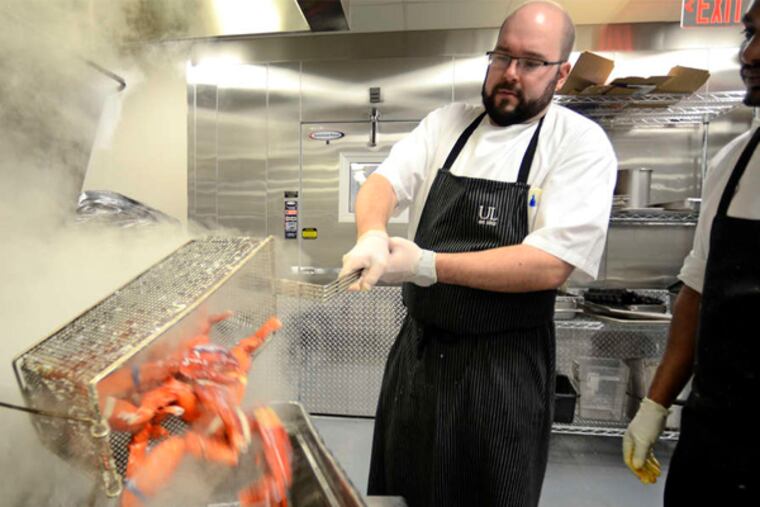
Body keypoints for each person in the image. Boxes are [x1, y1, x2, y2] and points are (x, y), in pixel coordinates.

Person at [340, 1, 617, 505]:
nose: (510, 74)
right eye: (501, 57)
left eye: (531, 63)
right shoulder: (446, 124)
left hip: (503, 370)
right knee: (400, 494)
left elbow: (549, 263)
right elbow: (382, 181)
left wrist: (425, 265)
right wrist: (372, 234)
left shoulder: (579, 144)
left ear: (562, 73)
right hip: (419, 356)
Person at [622, 2, 760, 505]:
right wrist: (655, 405)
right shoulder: (733, 162)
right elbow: (697, 294)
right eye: (749, 33)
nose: (752, 52)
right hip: (715, 436)